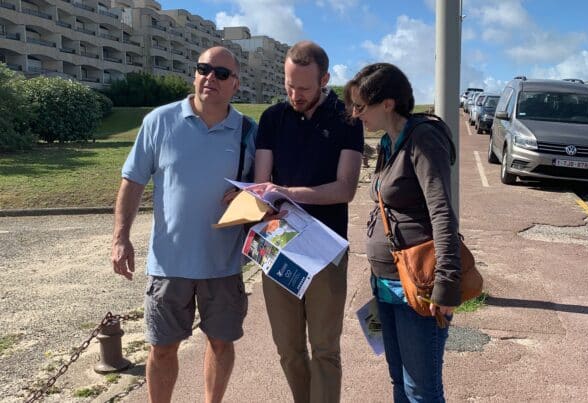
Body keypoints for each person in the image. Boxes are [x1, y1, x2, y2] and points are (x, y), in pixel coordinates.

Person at [111, 46, 257, 403]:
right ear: (194, 74)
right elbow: (132, 181)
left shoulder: (249, 132)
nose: (210, 78)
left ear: (235, 84)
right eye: (203, 69)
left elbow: (264, 190)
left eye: (222, 73)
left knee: (221, 344)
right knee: (162, 349)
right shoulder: (159, 121)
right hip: (169, 264)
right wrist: (120, 238)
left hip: (223, 264)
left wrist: (249, 195)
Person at [252, 40, 364, 403]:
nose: (294, 95)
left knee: (325, 349)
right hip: (279, 245)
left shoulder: (347, 118)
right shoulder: (272, 118)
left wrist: (288, 192)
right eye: (289, 85)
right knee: (288, 349)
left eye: (303, 87)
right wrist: (258, 198)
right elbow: (262, 183)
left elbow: (345, 189)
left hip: (326, 249)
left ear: (324, 79)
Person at [344, 63, 460, 402]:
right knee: (398, 380)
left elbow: (442, 213)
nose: (355, 114)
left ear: (388, 103)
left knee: (421, 390)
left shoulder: (423, 138)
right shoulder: (388, 142)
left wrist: (446, 286)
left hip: (418, 286)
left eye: (361, 106)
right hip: (384, 282)